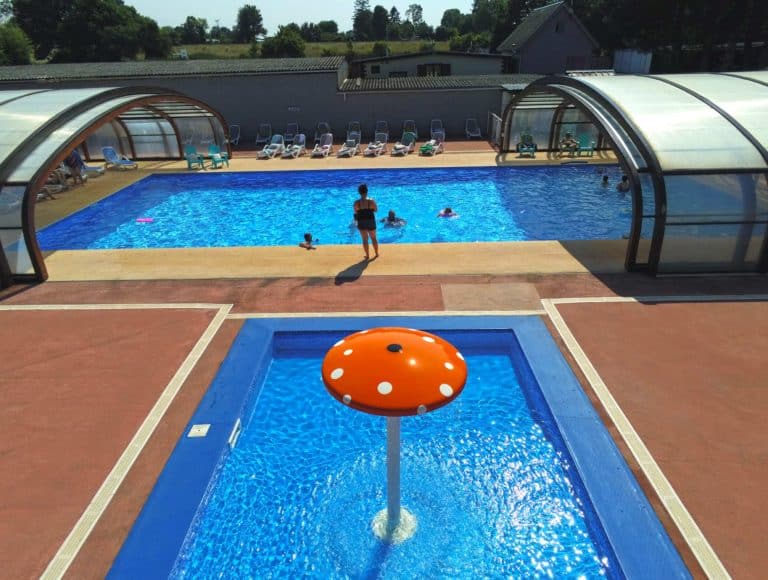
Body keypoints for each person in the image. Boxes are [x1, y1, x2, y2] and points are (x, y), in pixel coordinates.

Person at [353, 183, 379, 259]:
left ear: (359, 192)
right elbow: (376, 210)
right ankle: (376, 253)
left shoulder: (356, 203)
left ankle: (367, 255)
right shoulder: (371, 201)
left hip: (361, 221)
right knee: (373, 238)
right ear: (367, 191)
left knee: (364, 239)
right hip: (370, 220)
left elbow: (355, 212)